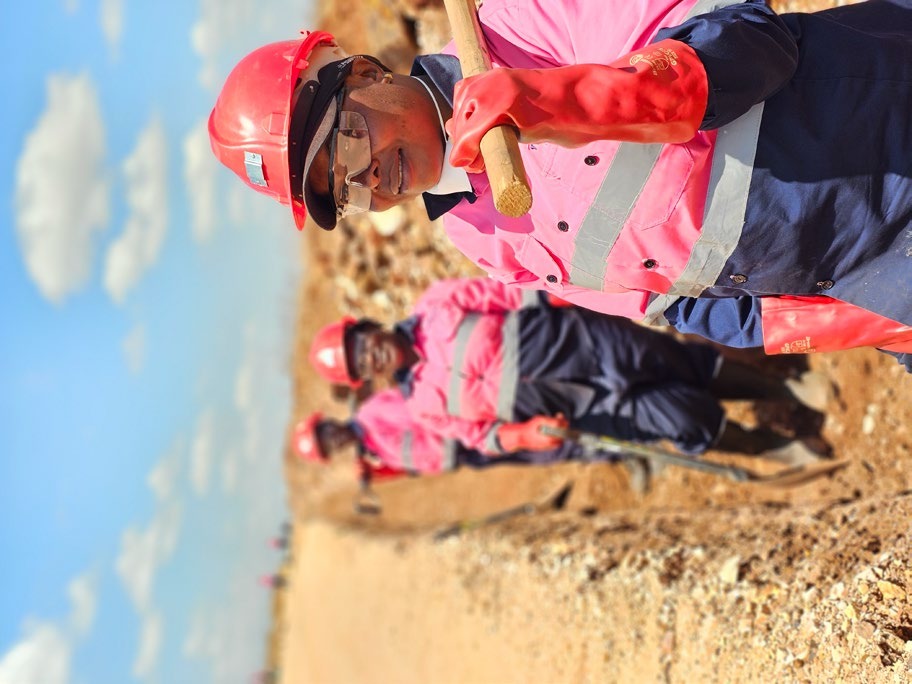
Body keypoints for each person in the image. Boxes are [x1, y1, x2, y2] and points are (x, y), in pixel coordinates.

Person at [208, 1, 912, 368]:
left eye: (347, 141)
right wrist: (844, 322)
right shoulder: (478, 239)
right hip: (866, 271)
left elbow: (751, 36)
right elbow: (673, 299)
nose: (367, 178)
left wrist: (574, 101)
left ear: (362, 72)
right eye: (344, 192)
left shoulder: (520, 25)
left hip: (869, 114)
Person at [309, 277, 830, 465]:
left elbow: (510, 292)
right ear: (366, 380)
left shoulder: (437, 304)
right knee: (678, 419)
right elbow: (482, 437)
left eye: (363, 346)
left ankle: (789, 390)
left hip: (580, 342)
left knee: (685, 364)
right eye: (361, 367)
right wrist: (523, 435)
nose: (371, 357)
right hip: (571, 408)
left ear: (368, 330)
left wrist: (573, 295)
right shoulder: (421, 406)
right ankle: (776, 447)